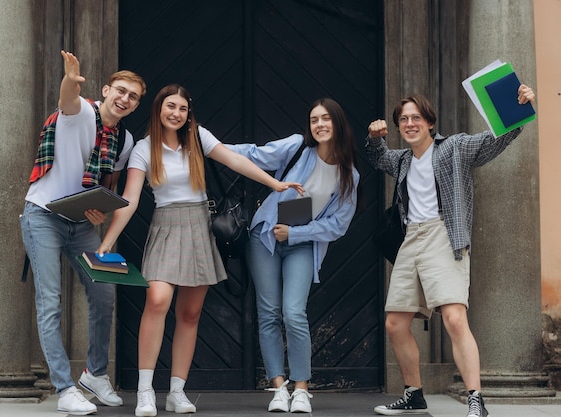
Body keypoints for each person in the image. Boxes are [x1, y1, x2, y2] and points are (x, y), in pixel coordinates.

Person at [96, 83, 303, 417]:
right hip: (165, 227)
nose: (176, 114)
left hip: (198, 227)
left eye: (182, 108)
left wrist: (274, 183)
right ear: (159, 109)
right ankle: (146, 390)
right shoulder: (143, 149)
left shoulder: (198, 138)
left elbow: (235, 160)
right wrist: (107, 241)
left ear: (188, 112)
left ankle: (177, 391)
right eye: (170, 107)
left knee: (190, 314)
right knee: (158, 300)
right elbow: (130, 199)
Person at [366, 84, 535, 417]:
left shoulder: (454, 147)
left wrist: (519, 107)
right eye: (403, 119)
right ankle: (414, 395)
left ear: (430, 122)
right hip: (411, 240)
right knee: (395, 324)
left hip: (444, 234)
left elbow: (497, 138)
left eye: (416, 117)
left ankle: (476, 400)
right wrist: (374, 136)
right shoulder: (401, 160)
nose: (409, 123)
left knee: (455, 319)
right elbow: (377, 157)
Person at [20, 50, 146, 415]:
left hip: (80, 224)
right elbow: (67, 101)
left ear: (136, 105)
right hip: (42, 216)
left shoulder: (125, 140)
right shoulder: (82, 113)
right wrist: (70, 80)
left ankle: (95, 374)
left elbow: (110, 187)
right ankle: (64, 389)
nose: (124, 99)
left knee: (106, 291)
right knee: (50, 302)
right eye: (120, 91)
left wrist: (99, 214)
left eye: (132, 96)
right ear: (106, 90)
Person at [227, 98, 361, 413]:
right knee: (269, 313)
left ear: (337, 123)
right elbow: (256, 154)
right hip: (265, 238)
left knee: (294, 312)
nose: (320, 125)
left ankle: (301, 388)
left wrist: (296, 233)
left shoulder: (348, 175)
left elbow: (337, 226)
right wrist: (213, 146)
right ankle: (278, 387)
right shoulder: (298, 147)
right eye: (314, 120)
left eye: (326, 119)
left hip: (302, 243)